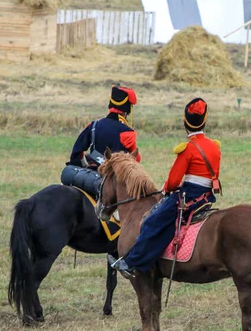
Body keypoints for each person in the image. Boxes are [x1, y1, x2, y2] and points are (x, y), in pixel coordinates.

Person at [109, 98, 221, 275]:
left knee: (154, 220)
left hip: (189, 197)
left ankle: (133, 263)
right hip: (206, 197)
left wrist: (166, 189)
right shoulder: (215, 146)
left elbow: (174, 181)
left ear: (185, 123)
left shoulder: (188, 149)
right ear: (204, 122)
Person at [61, 84, 140, 195]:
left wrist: (84, 165)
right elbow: (135, 161)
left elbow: (77, 152)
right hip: (109, 183)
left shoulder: (94, 125)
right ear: (127, 110)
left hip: (86, 173)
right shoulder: (128, 133)